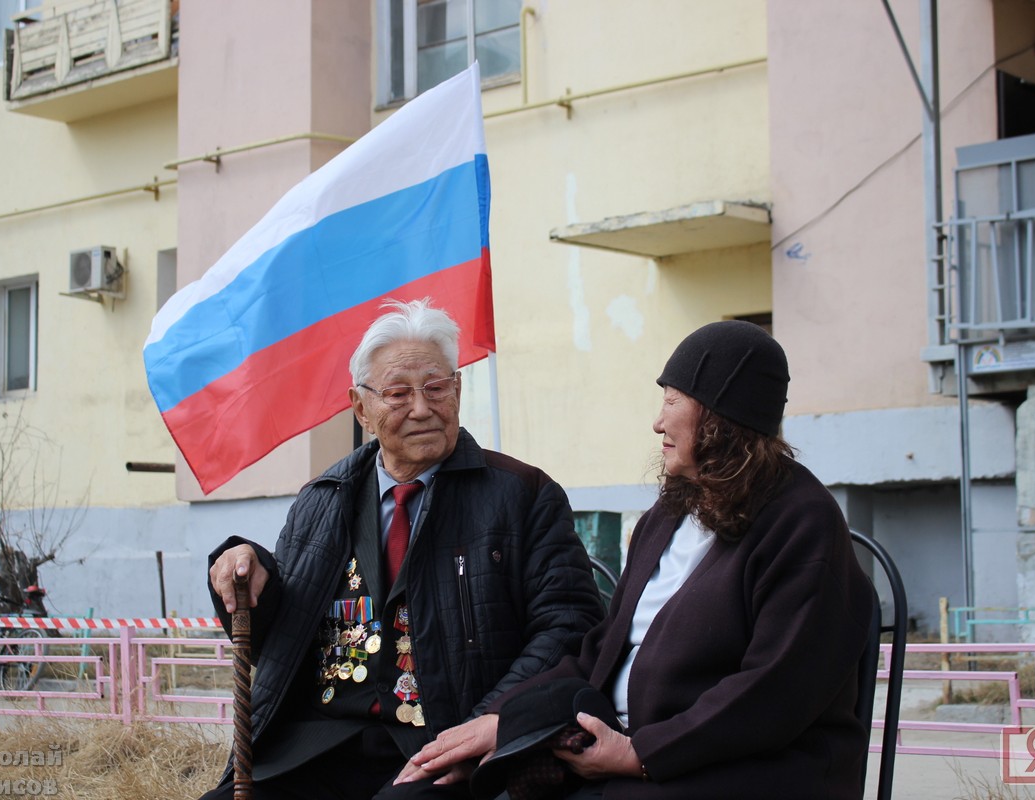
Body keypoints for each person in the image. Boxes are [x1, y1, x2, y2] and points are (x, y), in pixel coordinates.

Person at [398, 320, 875, 799]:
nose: (658, 422)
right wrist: (504, 720)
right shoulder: (670, 513)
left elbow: (775, 693)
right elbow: (600, 650)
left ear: (719, 416)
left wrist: (640, 754)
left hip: (738, 768)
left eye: (672, 401)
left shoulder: (802, 523)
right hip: (625, 746)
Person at [201, 298, 604, 800]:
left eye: (436, 388)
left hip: (446, 744)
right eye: (397, 393)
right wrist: (246, 572)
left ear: (457, 391)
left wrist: (491, 721)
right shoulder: (322, 500)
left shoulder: (523, 495)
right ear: (360, 408)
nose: (421, 408)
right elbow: (276, 645)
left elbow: (569, 627)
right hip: (320, 744)